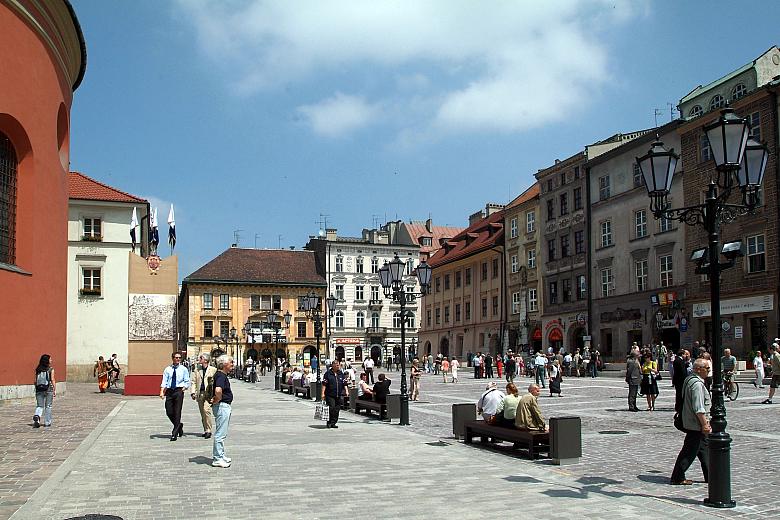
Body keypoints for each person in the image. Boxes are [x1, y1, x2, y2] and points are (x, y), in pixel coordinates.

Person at [670, 358, 711, 485]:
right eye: (707, 369)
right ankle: (677, 476)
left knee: (703, 449)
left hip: (690, 421)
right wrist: (704, 424)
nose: (709, 371)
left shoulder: (689, 379)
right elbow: (699, 407)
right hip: (696, 424)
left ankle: (710, 475)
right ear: (698, 369)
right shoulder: (697, 385)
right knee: (689, 451)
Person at [160, 351, 191, 441]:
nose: (178, 359)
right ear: (172, 358)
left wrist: (184, 388)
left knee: (177, 411)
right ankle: (179, 425)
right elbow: (164, 381)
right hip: (169, 391)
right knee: (169, 411)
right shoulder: (167, 369)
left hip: (178, 390)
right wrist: (162, 391)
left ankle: (174, 433)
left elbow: (187, 380)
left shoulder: (183, 369)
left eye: (179, 358)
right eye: (176, 358)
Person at [210, 355, 234, 468]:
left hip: (223, 406)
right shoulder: (221, 376)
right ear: (224, 364)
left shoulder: (221, 375)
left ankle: (221, 455)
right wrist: (218, 398)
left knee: (222, 432)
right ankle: (217, 458)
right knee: (220, 433)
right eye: (231, 363)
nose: (232, 365)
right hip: (222, 406)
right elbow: (218, 390)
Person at [190, 353, 217, 439]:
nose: (199, 359)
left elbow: (216, 382)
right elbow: (193, 381)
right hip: (200, 393)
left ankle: (209, 430)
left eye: (200, 358)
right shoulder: (197, 369)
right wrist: (193, 392)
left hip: (208, 394)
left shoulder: (213, 370)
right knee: (202, 413)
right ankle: (205, 429)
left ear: (205, 360)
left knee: (206, 411)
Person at [322, 359, 346, 428]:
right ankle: (329, 422)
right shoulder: (328, 374)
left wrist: (346, 391)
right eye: (337, 365)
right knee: (331, 408)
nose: (338, 366)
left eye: (339, 365)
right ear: (333, 365)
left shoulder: (340, 373)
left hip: (339, 394)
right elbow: (324, 384)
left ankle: (334, 422)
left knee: (337, 409)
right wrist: (322, 393)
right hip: (330, 394)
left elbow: (344, 383)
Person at [33, 354, 56, 428]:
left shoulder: (38, 369)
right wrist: (54, 389)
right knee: (48, 406)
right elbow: (52, 379)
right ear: (47, 361)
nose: (51, 360)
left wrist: (36, 388)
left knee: (39, 405)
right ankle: (47, 422)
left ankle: (37, 416)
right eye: (50, 359)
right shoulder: (50, 369)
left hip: (39, 389)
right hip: (48, 389)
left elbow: (35, 381)